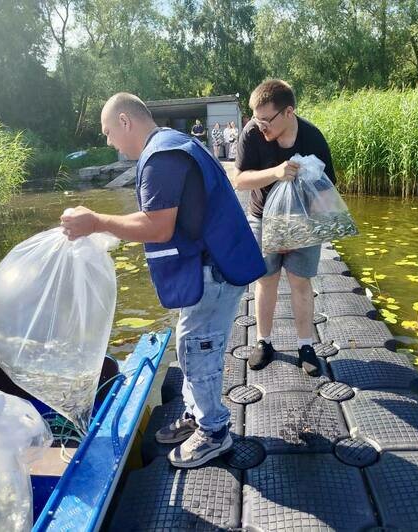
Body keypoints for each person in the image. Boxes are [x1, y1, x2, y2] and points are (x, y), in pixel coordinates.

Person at [60, 93, 266, 468]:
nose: (109, 142)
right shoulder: (172, 144)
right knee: (193, 344)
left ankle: (214, 432)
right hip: (211, 264)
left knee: (196, 348)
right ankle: (196, 413)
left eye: (108, 132)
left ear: (126, 121)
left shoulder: (161, 157)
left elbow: (157, 227)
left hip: (214, 270)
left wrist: (96, 222)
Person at [233, 79, 336, 375]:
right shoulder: (252, 134)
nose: (260, 125)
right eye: (256, 118)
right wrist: (276, 173)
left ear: (288, 112)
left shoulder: (313, 139)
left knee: (300, 282)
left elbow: (326, 192)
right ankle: (264, 342)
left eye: (266, 120)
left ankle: (305, 345)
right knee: (266, 280)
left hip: (303, 220)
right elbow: (239, 180)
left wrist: (301, 232)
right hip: (263, 217)